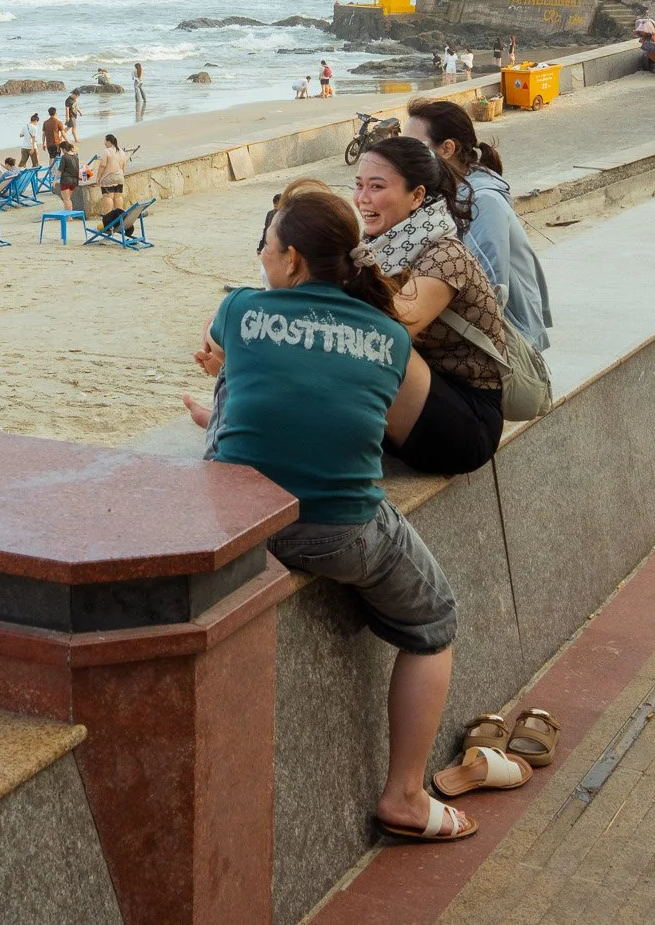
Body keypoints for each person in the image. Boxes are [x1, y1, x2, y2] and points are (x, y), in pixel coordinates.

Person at [179, 181, 469, 843]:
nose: (262, 255)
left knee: (230, 392)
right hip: (343, 532)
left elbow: (240, 359)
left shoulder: (240, 310)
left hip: (243, 525)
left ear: (293, 262)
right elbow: (368, 421)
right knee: (434, 620)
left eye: (269, 245)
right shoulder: (391, 336)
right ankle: (403, 793)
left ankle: (210, 428)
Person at [353, 137, 509, 475]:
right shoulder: (374, 249)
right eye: (359, 185)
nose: (362, 198)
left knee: (374, 343)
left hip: (466, 423)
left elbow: (383, 334)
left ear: (418, 196)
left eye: (376, 186)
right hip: (415, 406)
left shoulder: (445, 256)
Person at [404, 99, 553, 353]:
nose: (404, 156)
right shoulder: (443, 193)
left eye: (414, 147)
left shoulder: (483, 202)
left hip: (508, 341)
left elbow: (487, 287)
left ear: (447, 148)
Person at [96, 133, 128, 229]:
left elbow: (102, 165)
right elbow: (124, 164)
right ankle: (119, 218)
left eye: (105, 141)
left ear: (109, 141)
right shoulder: (121, 151)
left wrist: (98, 177)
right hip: (119, 176)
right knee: (118, 196)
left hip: (109, 177)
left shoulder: (107, 151)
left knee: (108, 197)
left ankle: (108, 219)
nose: (104, 143)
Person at [55, 140, 85, 216]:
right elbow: (77, 169)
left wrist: (54, 180)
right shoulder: (75, 156)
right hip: (74, 181)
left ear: (64, 149)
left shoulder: (64, 157)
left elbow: (60, 171)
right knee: (68, 199)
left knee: (66, 199)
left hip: (66, 180)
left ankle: (69, 217)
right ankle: (68, 215)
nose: (61, 151)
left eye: (61, 149)